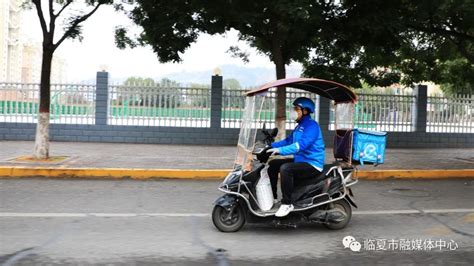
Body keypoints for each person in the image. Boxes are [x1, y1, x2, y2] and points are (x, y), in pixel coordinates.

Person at [266, 97, 325, 217]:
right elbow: (288, 141)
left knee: (286, 168)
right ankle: (273, 198)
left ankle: (287, 203)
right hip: (301, 160)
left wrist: (279, 151)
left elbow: (301, 145)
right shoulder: (299, 126)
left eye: (296, 109)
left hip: (312, 163)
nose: (293, 111)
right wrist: (269, 146)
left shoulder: (311, 126)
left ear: (305, 111)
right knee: (273, 164)